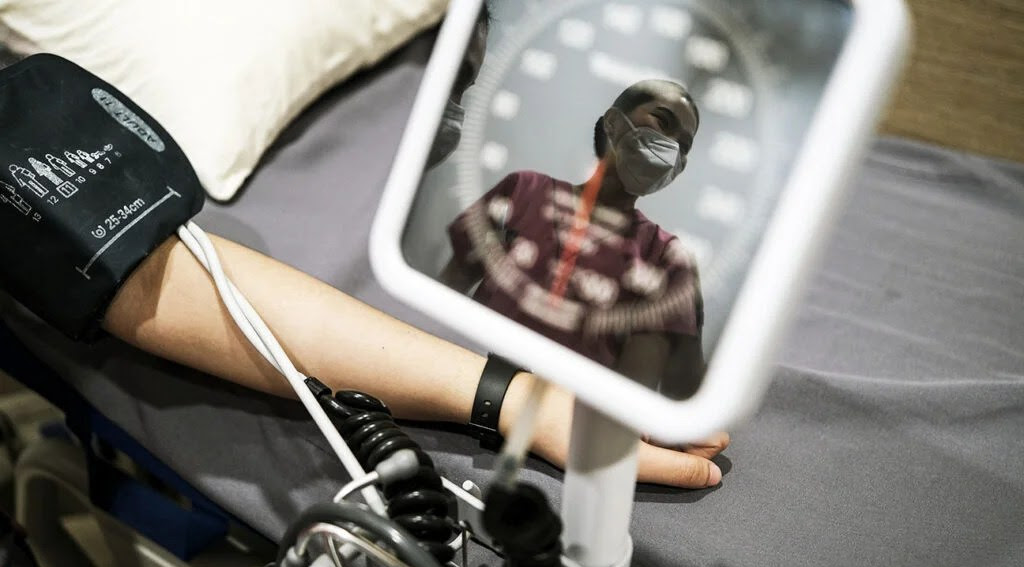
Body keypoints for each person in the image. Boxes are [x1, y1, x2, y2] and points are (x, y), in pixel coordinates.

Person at [13, 6, 728, 489]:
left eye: (676, 141)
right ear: (608, 126)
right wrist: (519, 402)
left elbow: (662, 375)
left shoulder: (670, 259)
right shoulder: (527, 192)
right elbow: (145, 271)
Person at [441, 79, 706, 395]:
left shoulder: (663, 257)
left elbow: (634, 395)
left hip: (560, 425)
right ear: (613, 122)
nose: (671, 146)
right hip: (461, 389)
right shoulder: (524, 191)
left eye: (684, 145)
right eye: (662, 122)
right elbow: (445, 297)